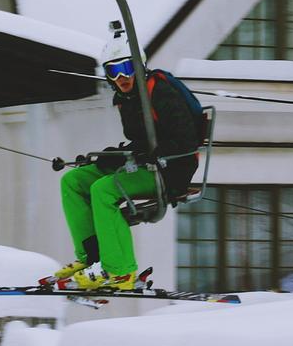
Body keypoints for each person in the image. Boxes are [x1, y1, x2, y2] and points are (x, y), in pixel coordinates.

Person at [54, 23, 201, 291]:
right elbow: (143, 141)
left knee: (104, 190)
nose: (122, 77)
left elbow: (185, 139)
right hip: (146, 164)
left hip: (172, 168)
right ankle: (93, 259)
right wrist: (116, 156)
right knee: (73, 181)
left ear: (139, 65)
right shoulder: (127, 99)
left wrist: (148, 153)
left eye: (127, 68)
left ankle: (121, 271)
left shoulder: (159, 91)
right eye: (114, 71)